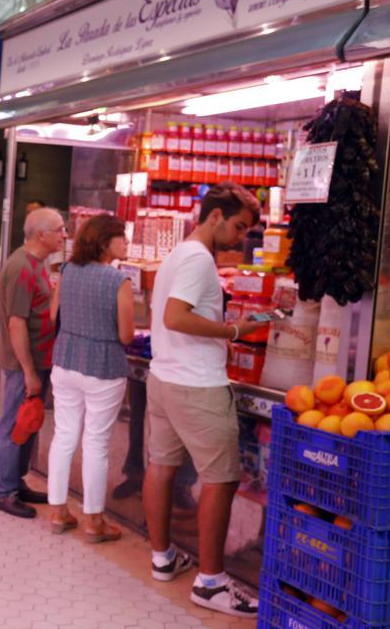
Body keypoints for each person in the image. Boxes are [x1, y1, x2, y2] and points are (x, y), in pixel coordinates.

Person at [143, 182, 265, 618]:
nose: (239, 237)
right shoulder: (198, 259)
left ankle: (163, 558)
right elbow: (177, 317)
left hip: (164, 378)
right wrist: (234, 332)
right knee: (221, 479)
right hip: (196, 384)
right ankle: (211, 583)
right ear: (215, 216)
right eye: (237, 227)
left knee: (162, 467)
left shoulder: (179, 253)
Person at [46, 214, 133, 543]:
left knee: (64, 435)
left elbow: (55, 315)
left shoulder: (67, 272)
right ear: (103, 242)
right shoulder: (117, 281)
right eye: (120, 237)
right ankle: (94, 521)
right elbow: (125, 335)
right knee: (95, 442)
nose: (125, 242)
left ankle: (58, 512)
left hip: (65, 360)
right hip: (103, 367)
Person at [0, 207, 66, 519]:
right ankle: (1, 491)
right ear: (41, 235)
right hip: (24, 364)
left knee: (28, 424)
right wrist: (30, 372)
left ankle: (15, 483)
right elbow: (16, 324)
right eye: (59, 229)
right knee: (14, 425)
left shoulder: (39, 264)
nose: (64, 235)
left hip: (39, 360)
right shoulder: (21, 266)